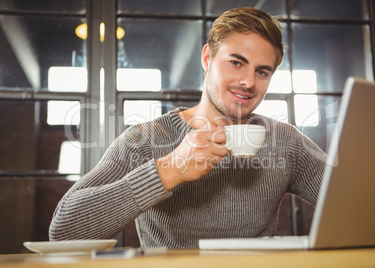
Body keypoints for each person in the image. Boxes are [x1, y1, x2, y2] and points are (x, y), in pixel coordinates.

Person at [49, 7, 327, 249]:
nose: (248, 82)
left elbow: (357, 203)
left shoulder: (286, 141)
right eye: (236, 63)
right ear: (207, 59)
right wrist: (170, 169)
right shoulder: (145, 139)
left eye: (262, 71)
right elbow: (63, 232)